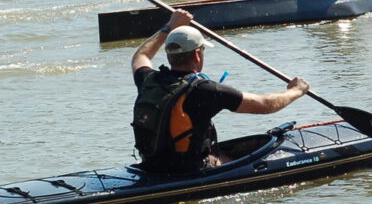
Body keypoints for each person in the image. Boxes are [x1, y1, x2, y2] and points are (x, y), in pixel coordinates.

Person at [131, 9, 309, 174]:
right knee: (231, 159)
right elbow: (265, 105)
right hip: (188, 170)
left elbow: (141, 56)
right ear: (197, 55)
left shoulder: (149, 80)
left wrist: (169, 26)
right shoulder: (206, 90)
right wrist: (296, 90)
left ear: (169, 56)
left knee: (224, 154)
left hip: (151, 165)